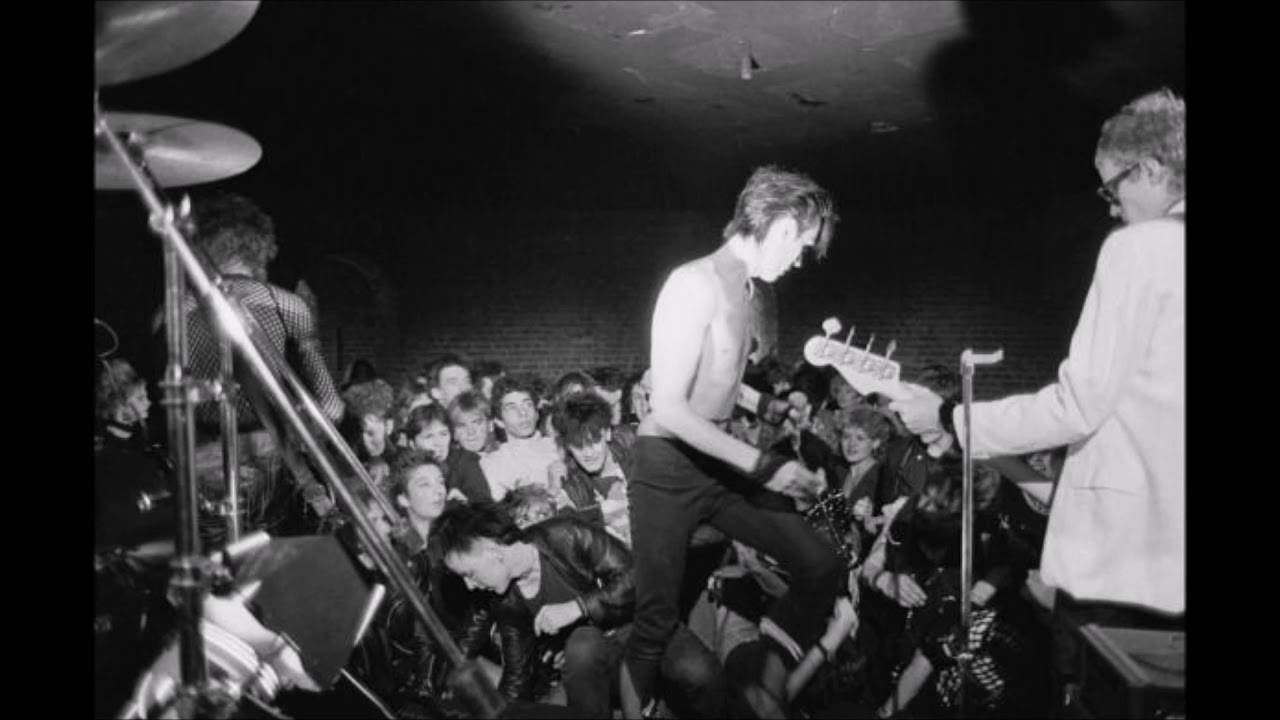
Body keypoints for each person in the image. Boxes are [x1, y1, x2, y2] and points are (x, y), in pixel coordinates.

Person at [889, 88, 1185, 706]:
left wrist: (950, 416)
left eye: (1112, 188)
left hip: (1122, 562)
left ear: (1153, 169)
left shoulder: (1143, 248)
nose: (1111, 209)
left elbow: (1079, 403)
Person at [623, 165, 844, 718]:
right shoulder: (691, 283)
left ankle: (762, 682)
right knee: (653, 623)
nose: (797, 263)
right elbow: (671, 408)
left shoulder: (744, 292)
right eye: (800, 247)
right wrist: (766, 467)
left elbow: (720, 380)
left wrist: (767, 404)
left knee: (820, 564)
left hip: (716, 465)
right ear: (780, 224)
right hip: (666, 469)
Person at [433, 502, 725, 718]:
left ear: (493, 550)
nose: (470, 587)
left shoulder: (564, 534)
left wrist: (578, 607)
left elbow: (637, 577)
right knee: (582, 644)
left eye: (469, 573)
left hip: (640, 629)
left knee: (700, 673)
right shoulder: (506, 600)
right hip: (597, 663)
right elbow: (517, 675)